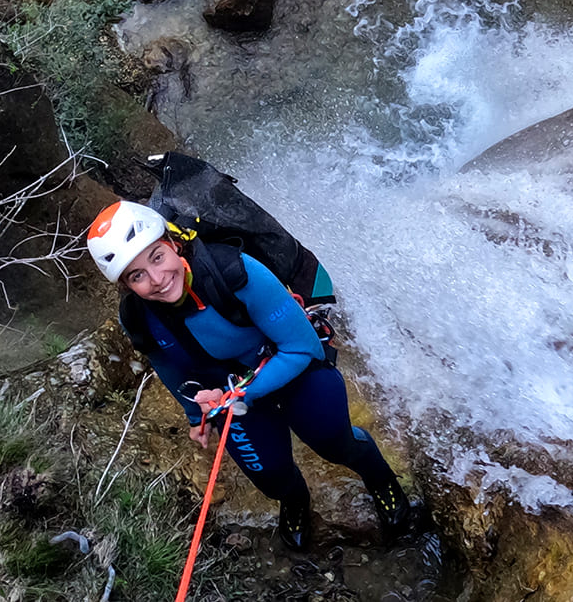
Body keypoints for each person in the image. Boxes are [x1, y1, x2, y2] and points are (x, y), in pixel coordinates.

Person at [86, 200, 412, 551]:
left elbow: (302, 348)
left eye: (157, 257)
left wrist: (241, 394)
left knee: (337, 443)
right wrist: (198, 416)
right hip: (233, 394)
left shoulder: (235, 272)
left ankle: (381, 481)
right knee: (269, 476)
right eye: (137, 275)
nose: (157, 279)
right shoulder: (137, 318)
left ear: (173, 243)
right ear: (125, 285)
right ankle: (295, 500)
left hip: (293, 373)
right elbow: (172, 372)